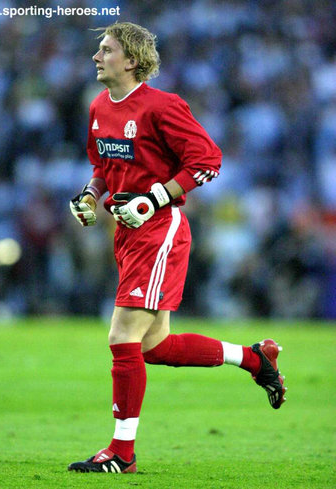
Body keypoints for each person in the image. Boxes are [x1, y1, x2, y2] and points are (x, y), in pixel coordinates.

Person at [68, 22, 286, 474]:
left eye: (105, 50)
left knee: (121, 338)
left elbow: (208, 161)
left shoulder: (162, 106)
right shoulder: (98, 107)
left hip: (159, 230)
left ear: (131, 60)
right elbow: (104, 165)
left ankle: (121, 454)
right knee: (154, 347)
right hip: (126, 233)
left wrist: (152, 200)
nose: (96, 57)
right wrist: (90, 195)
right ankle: (253, 358)